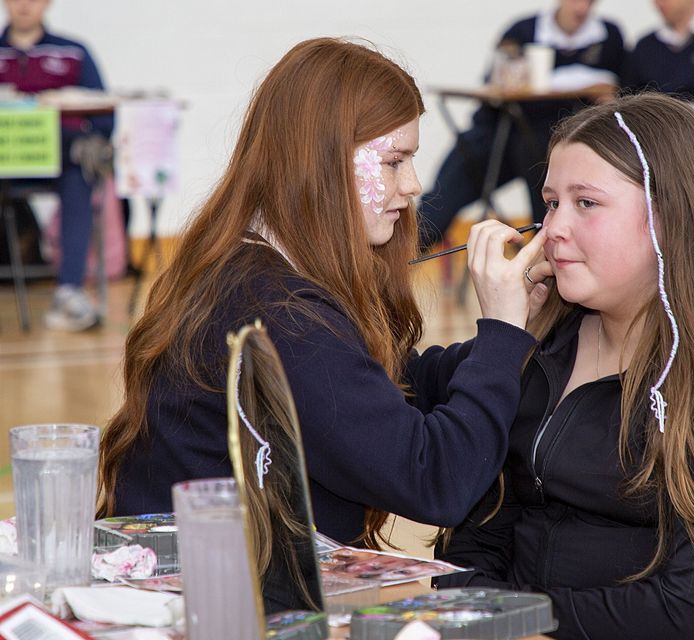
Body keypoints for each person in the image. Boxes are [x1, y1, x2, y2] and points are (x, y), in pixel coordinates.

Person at [97, 38, 547, 566]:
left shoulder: (253, 264)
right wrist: (500, 336)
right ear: (324, 163)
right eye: (394, 161)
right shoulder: (279, 310)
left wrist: (519, 331)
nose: (414, 185)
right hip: (206, 599)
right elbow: (436, 481)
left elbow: (392, 387)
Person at [435, 93, 694, 639]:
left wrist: (513, 616)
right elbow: (482, 529)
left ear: (669, 219)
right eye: (551, 202)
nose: (553, 229)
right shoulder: (544, 347)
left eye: (587, 203)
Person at [417, 0, 625, 249]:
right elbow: (496, 81)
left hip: (555, 142)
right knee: (444, 193)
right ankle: (403, 252)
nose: (581, 8)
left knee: (549, 171)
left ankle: (547, 262)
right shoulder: (522, 30)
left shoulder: (609, 37)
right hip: (499, 133)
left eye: (589, 2)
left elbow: (620, 92)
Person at [0, 0, 114, 331]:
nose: (24, 5)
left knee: (81, 171)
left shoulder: (74, 52)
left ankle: (69, 292)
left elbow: (105, 115)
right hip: (5, 159)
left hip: (61, 160)